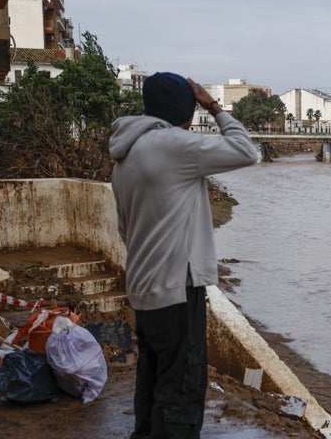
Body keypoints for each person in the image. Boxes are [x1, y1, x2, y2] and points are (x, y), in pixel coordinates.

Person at [109, 72, 259, 439]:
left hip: (144, 287)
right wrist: (214, 106)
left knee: (153, 379)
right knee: (182, 389)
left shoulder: (124, 155)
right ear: (186, 110)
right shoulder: (175, 145)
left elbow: (125, 229)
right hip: (178, 287)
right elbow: (246, 151)